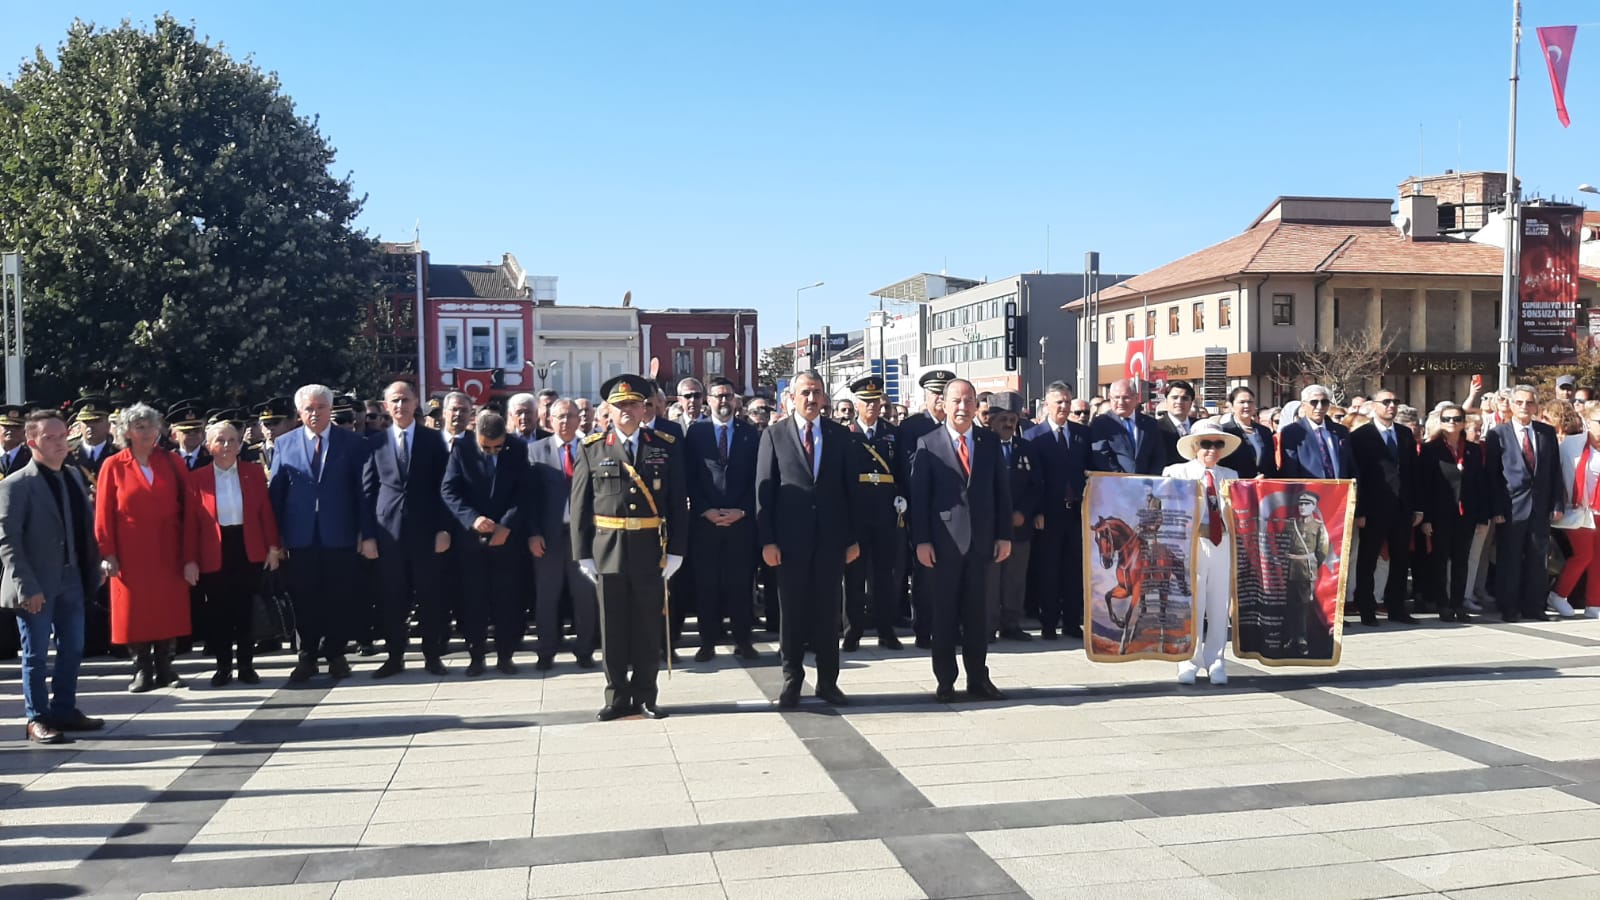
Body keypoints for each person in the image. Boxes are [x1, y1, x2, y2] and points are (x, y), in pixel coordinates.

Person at [571, 374, 686, 721]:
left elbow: (678, 501)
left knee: (648, 627)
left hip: (652, 548)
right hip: (608, 549)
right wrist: (583, 554)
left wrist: (677, 550)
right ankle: (617, 696)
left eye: (633, 404)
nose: (627, 410)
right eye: (620, 405)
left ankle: (647, 695)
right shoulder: (593, 446)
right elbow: (580, 503)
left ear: (644, 408)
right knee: (614, 626)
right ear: (609, 409)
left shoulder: (663, 444)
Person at [756, 370, 860, 708]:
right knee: (792, 613)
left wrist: (851, 538)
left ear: (825, 397)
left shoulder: (840, 435)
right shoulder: (774, 435)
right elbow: (765, 493)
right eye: (805, 392)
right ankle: (792, 679)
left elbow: (850, 491)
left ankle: (828, 681)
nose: (811, 399)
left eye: (816, 392)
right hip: (789, 543)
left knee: (829, 613)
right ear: (791, 398)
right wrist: (768, 540)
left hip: (830, 542)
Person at [1, 411, 104, 743]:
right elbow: (8, 541)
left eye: (63, 436)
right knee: (35, 655)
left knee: (73, 647)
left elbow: (84, 528)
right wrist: (26, 586)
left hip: (73, 578)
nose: (61, 443)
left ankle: (64, 709)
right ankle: (37, 717)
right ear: (32, 442)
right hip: (36, 583)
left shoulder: (73, 476)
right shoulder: (16, 485)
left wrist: (94, 566)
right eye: (51, 438)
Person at [911, 379, 1011, 703]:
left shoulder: (989, 441)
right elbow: (920, 498)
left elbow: (1001, 493)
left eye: (968, 401)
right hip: (943, 545)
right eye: (956, 400)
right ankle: (945, 680)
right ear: (944, 403)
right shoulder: (928, 443)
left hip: (981, 543)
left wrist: (1003, 535)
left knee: (977, 616)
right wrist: (922, 541)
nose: (962, 407)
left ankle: (978, 678)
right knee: (944, 616)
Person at [268, 383, 371, 683]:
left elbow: (363, 493)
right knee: (304, 599)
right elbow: (276, 494)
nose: (315, 413)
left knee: (339, 597)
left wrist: (365, 534)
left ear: (330, 409)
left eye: (320, 407)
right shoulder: (284, 444)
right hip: (299, 538)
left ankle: (336, 654)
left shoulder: (352, 443)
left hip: (339, 534)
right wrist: (275, 539)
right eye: (308, 409)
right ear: (299, 413)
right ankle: (307, 656)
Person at [94, 403, 197, 692]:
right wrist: (108, 554)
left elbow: (189, 510)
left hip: (168, 550)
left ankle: (167, 668)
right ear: (126, 432)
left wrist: (190, 557)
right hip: (130, 552)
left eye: (152, 426)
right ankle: (141, 669)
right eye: (140, 426)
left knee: (167, 609)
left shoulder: (172, 462)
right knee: (134, 612)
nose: (148, 432)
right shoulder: (113, 465)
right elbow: (103, 514)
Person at [361, 381, 453, 677]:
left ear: (416, 403)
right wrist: (368, 536)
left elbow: (445, 488)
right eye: (394, 401)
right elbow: (367, 492)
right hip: (388, 533)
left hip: (426, 532)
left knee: (431, 596)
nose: (400, 406)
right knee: (392, 597)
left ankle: (432, 656)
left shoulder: (433, 440)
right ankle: (395, 656)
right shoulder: (375, 443)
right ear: (386, 406)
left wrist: (443, 529)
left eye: (405, 400)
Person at [442, 410, 536, 676]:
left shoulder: (516, 448)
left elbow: (525, 491)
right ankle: (476, 655)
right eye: (486, 447)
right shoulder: (461, 448)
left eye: (497, 447)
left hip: (507, 538)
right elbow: (448, 490)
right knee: (474, 599)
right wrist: (472, 519)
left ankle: (505, 655)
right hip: (473, 538)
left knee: (507, 599)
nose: (493, 452)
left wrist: (507, 524)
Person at [188, 421, 281, 685]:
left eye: (231, 440)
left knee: (245, 610)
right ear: (209, 446)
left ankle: (246, 666)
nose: (227, 446)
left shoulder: (252, 473)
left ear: (240, 444)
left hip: (246, 545)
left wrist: (273, 547)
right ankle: (223, 667)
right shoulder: (197, 478)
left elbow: (265, 513)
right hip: (214, 549)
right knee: (218, 612)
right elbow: (191, 525)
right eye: (220, 440)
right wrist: (191, 560)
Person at [683, 378, 760, 661]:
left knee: (740, 583)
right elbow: (689, 476)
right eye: (717, 396)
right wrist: (705, 509)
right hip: (706, 521)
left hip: (741, 521)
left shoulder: (750, 434)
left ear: (736, 400)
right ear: (708, 401)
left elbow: (758, 477)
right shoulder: (696, 433)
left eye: (728, 396)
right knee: (707, 584)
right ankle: (708, 641)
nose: (723, 401)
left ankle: (743, 639)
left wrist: (743, 510)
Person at [1163, 420, 1239, 684]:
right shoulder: (1177, 472)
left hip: (1222, 544)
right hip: (1192, 544)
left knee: (1219, 605)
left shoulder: (1230, 475)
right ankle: (1189, 660)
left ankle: (1216, 659)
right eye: (1206, 444)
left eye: (1218, 445)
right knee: (1192, 605)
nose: (1212, 450)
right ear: (1195, 446)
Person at [528, 398, 599, 669]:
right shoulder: (535, 451)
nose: (565, 421)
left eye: (570, 416)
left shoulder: (590, 449)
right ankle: (546, 651)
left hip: (583, 535)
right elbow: (529, 499)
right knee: (547, 595)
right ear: (549, 420)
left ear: (578, 419)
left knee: (584, 595)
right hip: (548, 536)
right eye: (560, 417)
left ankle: (584, 650)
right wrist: (533, 533)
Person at [1485, 385, 1565, 622]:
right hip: (1511, 508)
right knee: (1509, 560)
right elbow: (1492, 476)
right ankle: (1509, 608)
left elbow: (1554, 472)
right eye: (1519, 402)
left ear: (1536, 406)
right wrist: (1496, 509)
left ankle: (1534, 607)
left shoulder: (1546, 433)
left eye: (1529, 402)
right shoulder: (1498, 434)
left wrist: (1557, 503)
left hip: (1540, 508)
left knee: (1537, 559)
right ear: (1510, 405)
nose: (1524, 407)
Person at [1024, 380, 1093, 640]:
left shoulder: (1081, 434)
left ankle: (1072, 623)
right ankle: (1049, 624)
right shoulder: (1033, 436)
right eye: (1059, 402)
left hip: (1076, 512)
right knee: (1049, 570)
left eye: (1067, 401)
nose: (1064, 406)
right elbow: (1033, 479)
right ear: (1047, 405)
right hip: (1048, 514)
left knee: (1074, 569)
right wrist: (1037, 511)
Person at [1349, 389, 1422, 627]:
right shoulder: (1360, 436)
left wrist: (1417, 507)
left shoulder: (1404, 434)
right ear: (1373, 406)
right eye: (1386, 402)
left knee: (1401, 559)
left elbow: (1412, 472)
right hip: (1373, 507)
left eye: (1395, 402)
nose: (1391, 406)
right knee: (1368, 560)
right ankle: (1367, 608)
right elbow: (1357, 475)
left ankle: (1396, 607)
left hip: (1402, 507)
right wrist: (1359, 511)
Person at [842, 374, 905, 651]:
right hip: (857, 512)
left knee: (883, 575)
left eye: (875, 401)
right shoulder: (845, 435)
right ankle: (853, 629)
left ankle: (885, 629)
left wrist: (903, 496)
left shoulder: (893, 433)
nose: (871, 406)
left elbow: (901, 470)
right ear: (856, 403)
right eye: (865, 401)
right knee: (854, 575)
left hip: (885, 511)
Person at [898, 369, 953, 647]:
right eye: (936, 394)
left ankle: (950, 627)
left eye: (945, 394)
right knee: (925, 573)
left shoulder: (959, 426)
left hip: (954, 512)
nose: (941, 400)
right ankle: (924, 628)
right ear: (927, 396)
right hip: (922, 509)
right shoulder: (911, 428)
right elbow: (906, 470)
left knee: (953, 574)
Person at [1419, 403, 1488, 623]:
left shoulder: (1473, 450)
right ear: (1440, 422)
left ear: (1464, 422)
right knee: (1440, 560)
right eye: (1447, 419)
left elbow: (1479, 485)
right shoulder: (1431, 449)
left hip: (1465, 514)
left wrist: (1480, 517)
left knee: (1461, 560)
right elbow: (1425, 486)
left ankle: (1458, 603)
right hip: (1440, 513)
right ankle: (1443, 604)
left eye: (1457, 418)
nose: (1452, 423)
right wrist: (1426, 518)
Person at [984, 392, 1039, 643]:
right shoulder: (981, 446)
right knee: (990, 579)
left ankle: (1011, 623)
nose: (1008, 423)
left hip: (1019, 526)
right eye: (1003, 418)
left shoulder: (1026, 448)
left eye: (1013, 419)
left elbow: (1037, 485)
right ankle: (987, 625)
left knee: (1015, 577)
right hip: (989, 526)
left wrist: (1024, 513)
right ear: (991, 420)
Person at [1550, 401, 1600, 618]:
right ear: (1588, 421)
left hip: (1597, 511)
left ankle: (1594, 604)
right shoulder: (1571, 445)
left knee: (1597, 558)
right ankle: (1558, 595)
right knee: (1583, 555)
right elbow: (1555, 476)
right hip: (1577, 510)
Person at [1088, 378, 1166, 475]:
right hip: (1115, 483)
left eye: (1126, 398)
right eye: (1116, 397)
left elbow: (1158, 455)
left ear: (1136, 398)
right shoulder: (1101, 423)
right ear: (1110, 398)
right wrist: (1123, 479)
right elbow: (1102, 457)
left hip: (1146, 484)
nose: (1120, 402)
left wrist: (1150, 479)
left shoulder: (1149, 424)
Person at [1277, 385, 1355, 480]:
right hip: (1309, 492)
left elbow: (1350, 463)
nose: (1319, 407)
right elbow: (1290, 470)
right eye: (1314, 402)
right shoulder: (1292, 432)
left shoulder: (1340, 431)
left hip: (1340, 490)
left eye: (1324, 402)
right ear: (1304, 405)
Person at [1220, 387, 1275, 479]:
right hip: (1238, 485)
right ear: (1232, 406)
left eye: (1250, 402)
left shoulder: (1264, 431)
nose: (1246, 406)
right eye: (1242, 402)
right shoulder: (1225, 431)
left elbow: (1270, 463)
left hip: (1264, 486)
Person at [1154, 380, 1199, 464]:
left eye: (1185, 398)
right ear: (1166, 401)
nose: (1179, 402)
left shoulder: (1199, 426)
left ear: (1191, 402)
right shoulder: (1155, 427)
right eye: (1174, 397)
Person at [169, 400, 210, 470]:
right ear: (174, 435)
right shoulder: (168, 460)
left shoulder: (212, 458)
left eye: (197, 430)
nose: (192, 434)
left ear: (203, 433)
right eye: (186, 431)